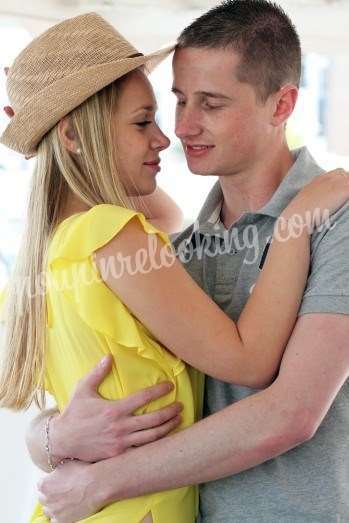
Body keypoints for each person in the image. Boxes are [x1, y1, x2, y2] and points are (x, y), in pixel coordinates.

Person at [3, 4, 349, 523]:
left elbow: (290, 414)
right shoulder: (175, 250)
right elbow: (118, 390)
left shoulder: (336, 219)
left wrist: (101, 479)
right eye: (178, 101)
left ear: (282, 106)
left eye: (210, 103)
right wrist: (50, 438)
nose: (181, 128)